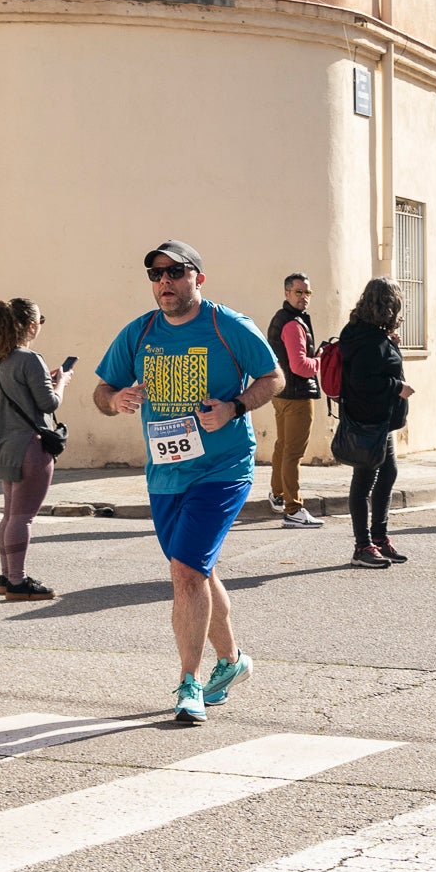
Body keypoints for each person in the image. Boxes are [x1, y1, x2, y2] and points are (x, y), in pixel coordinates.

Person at [92, 240, 282, 724]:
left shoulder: (227, 326)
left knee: (185, 572)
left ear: (198, 277)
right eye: (155, 275)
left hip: (223, 468)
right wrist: (115, 402)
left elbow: (273, 377)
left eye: (175, 272)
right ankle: (233, 661)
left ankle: (188, 682)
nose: (165, 282)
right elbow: (101, 389)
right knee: (196, 570)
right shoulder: (140, 333)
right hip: (166, 473)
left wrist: (234, 407)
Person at [0, 297, 70, 600]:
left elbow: (16, 396)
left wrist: (45, 380)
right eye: (40, 322)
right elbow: (48, 404)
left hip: (4, 442)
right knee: (23, 518)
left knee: (9, 515)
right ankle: (18, 582)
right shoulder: (29, 359)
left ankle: (7, 577)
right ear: (31, 325)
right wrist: (61, 383)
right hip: (30, 447)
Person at [337, 277, 413, 567]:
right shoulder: (368, 340)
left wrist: (391, 343)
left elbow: (375, 365)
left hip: (379, 421)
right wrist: (398, 388)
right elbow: (364, 381)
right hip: (367, 420)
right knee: (364, 480)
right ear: (389, 305)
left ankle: (379, 538)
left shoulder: (367, 334)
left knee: (388, 473)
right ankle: (362, 546)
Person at [265, 272, 323, 529]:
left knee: (283, 446)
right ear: (287, 293)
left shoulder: (284, 319)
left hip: (282, 393)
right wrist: (321, 359)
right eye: (298, 292)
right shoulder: (293, 324)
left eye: (307, 292)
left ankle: (278, 495)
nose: (304, 298)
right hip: (297, 396)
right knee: (293, 453)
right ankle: (293, 509)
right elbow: (300, 366)